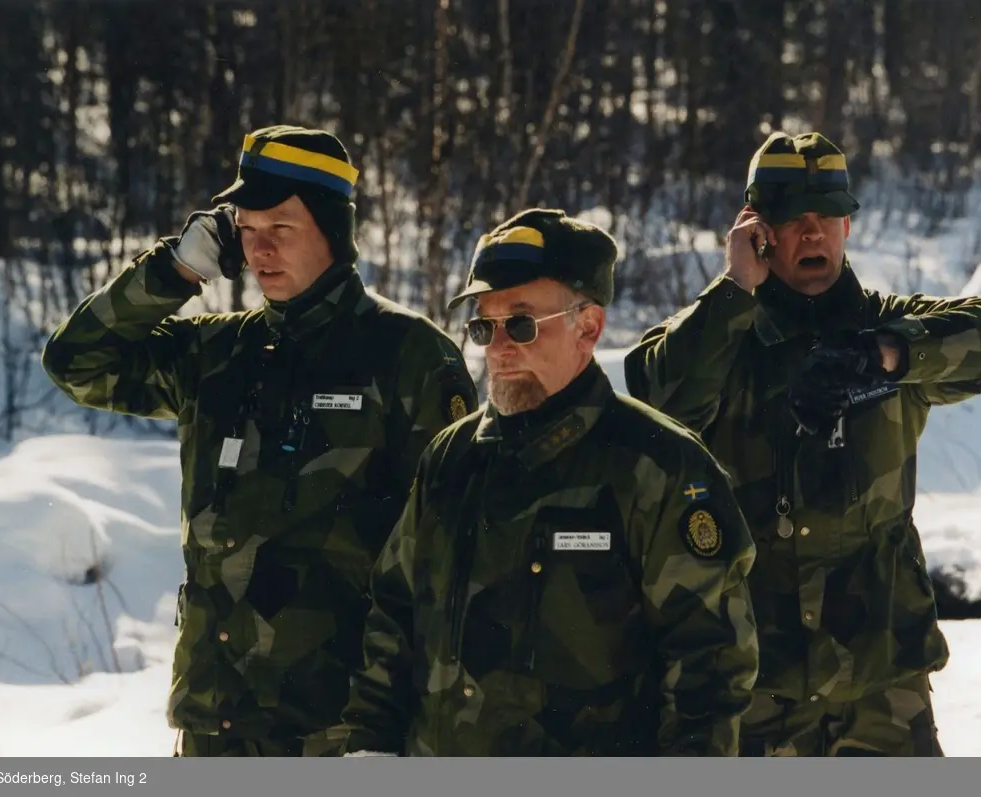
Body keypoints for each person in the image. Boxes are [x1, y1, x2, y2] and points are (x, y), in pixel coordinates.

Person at [41, 124, 478, 757]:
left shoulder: (407, 356)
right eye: (246, 230)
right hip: (214, 724)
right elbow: (76, 361)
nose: (260, 250)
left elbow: (451, 558)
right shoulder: (218, 353)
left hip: (342, 733)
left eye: (281, 229)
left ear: (333, 230)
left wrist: (409, 730)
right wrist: (173, 271)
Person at [623, 131, 981, 756]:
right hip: (758, 691)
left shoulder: (889, 326)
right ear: (757, 230)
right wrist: (733, 289)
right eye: (791, 218)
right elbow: (658, 399)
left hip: (882, 686)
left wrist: (880, 354)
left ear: (847, 225)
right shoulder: (723, 339)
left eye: (826, 215)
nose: (812, 233)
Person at [329, 208, 760, 756]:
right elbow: (395, 615)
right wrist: (370, 747)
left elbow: (710, 672)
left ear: (589, 326)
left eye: (523, 323)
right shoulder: (452, 458)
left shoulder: (659, 467)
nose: (500, 349)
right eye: (484, 325)